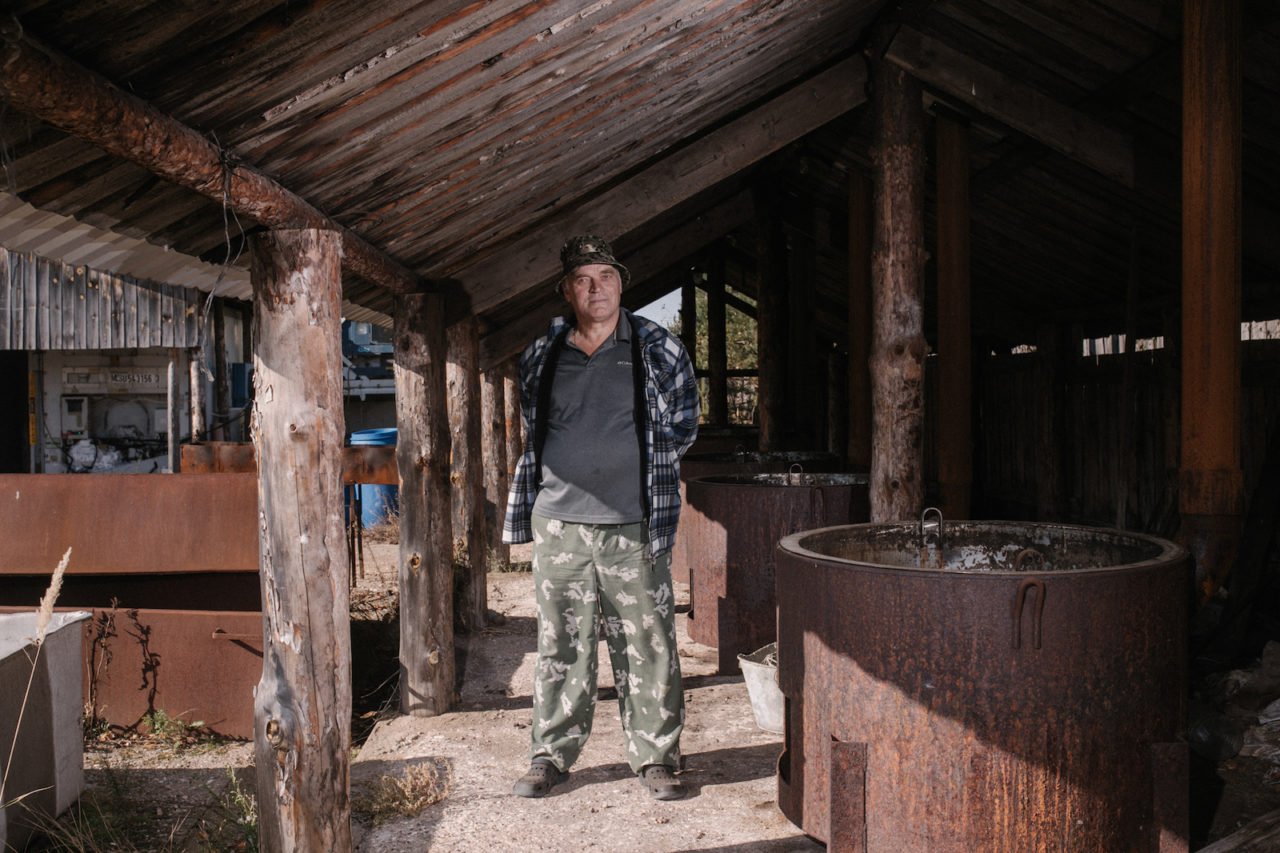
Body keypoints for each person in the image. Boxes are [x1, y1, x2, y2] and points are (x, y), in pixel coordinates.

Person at [502, 235, 700, 800]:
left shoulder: (656, 348)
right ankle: (550, 754)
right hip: (559, 524)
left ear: (621, 284)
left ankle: (656, 757)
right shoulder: (543, 353)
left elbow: (685, 421)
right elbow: (535, 418)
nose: (596, 289)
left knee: (648, 641)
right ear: (567, 290)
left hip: (633, 525)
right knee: (560, 643)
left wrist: (639, 468)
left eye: (606, 277)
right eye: (583, 280)